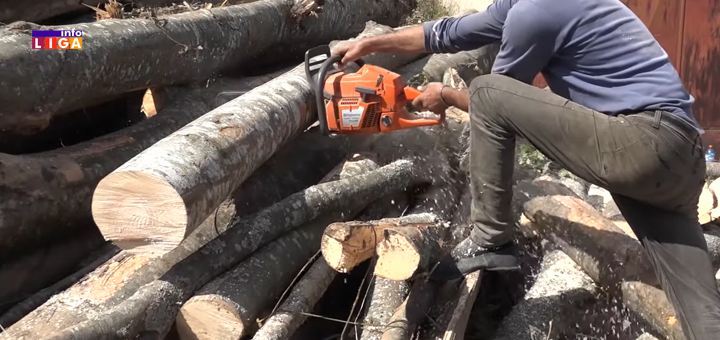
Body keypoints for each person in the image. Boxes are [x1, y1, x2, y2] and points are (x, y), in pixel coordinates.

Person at [333, 0, 720, 338]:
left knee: (486, 89)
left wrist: (446, 95)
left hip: (643, 143)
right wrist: (370, 43)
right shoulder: (532, 7)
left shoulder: (538, 10)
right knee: (701, 309)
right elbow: (445, 33)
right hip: (682, 157)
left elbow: (494, 101)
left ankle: (490, 237)